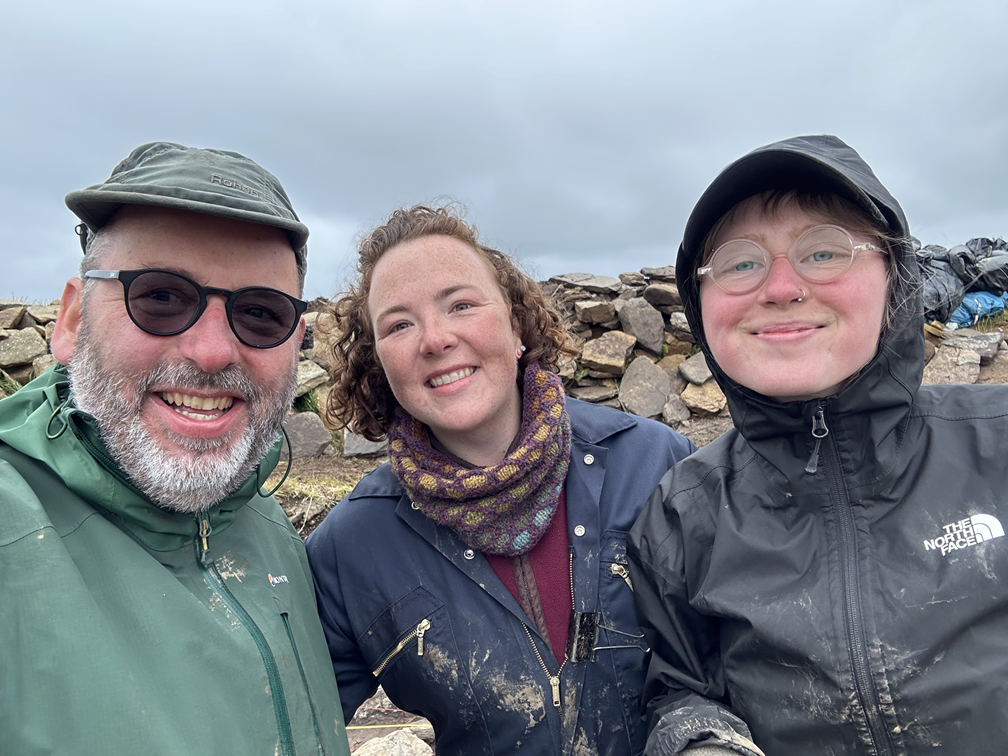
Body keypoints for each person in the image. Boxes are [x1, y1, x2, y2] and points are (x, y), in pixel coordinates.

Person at [627, 134, 1008, 756]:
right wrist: (699, 740)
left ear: (896, 278)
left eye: (824, 251)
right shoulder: (682, 513)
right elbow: (676, 686)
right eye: (740, 262)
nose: (780, 287)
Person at [305, 204, 696, 755]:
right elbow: (292, 723)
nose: (435, 339)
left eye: (461, 304)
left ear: (515, 326)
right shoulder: (351, 544)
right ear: (380, 364)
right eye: (398, 324)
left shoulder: (655, 462)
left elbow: (724, 662)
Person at [0, 142, 350, 756]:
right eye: (160, 297)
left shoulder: (261, 521)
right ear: (73, 322)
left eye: (261, 314)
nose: (212, 352)